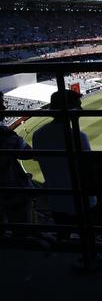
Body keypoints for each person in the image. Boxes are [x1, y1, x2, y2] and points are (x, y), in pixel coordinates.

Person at [33, 89, 95, 236]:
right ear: (68, 109)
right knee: (86, 238)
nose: (81, 110)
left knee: (64, 238)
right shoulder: (78, 136)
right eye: (77, 106)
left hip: (56, 200)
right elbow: (89, 169)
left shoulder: (38, 135)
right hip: (81, 200)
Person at [0, 92, 34, 228]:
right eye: (0, 103)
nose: (4, 107)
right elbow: (27, 153)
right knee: (23, 232)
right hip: (11, 192)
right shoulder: (3, 134)